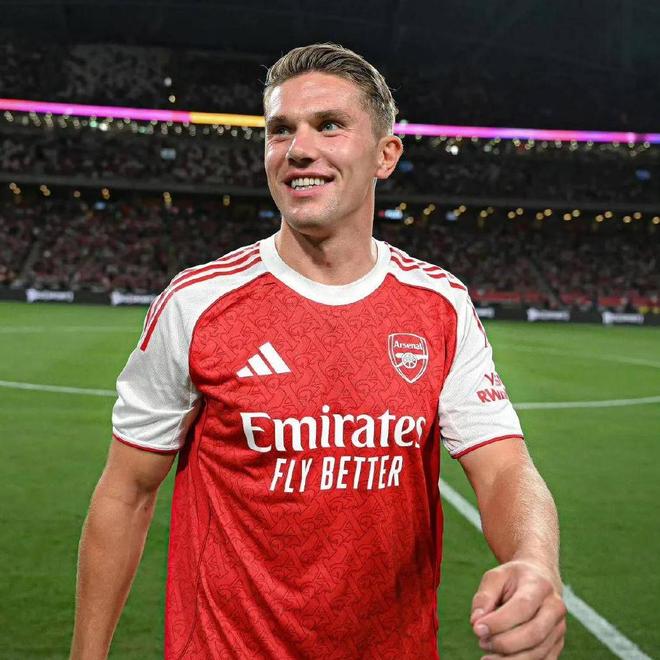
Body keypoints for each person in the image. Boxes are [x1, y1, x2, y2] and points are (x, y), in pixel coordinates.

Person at [71, 43, 566, 659]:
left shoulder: (440, 304)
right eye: (281, 130)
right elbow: (126, 492)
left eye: (329, 125)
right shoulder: (197, 304)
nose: (299, 149)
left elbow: (503, 467)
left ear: (385, 155)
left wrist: (536, 562)